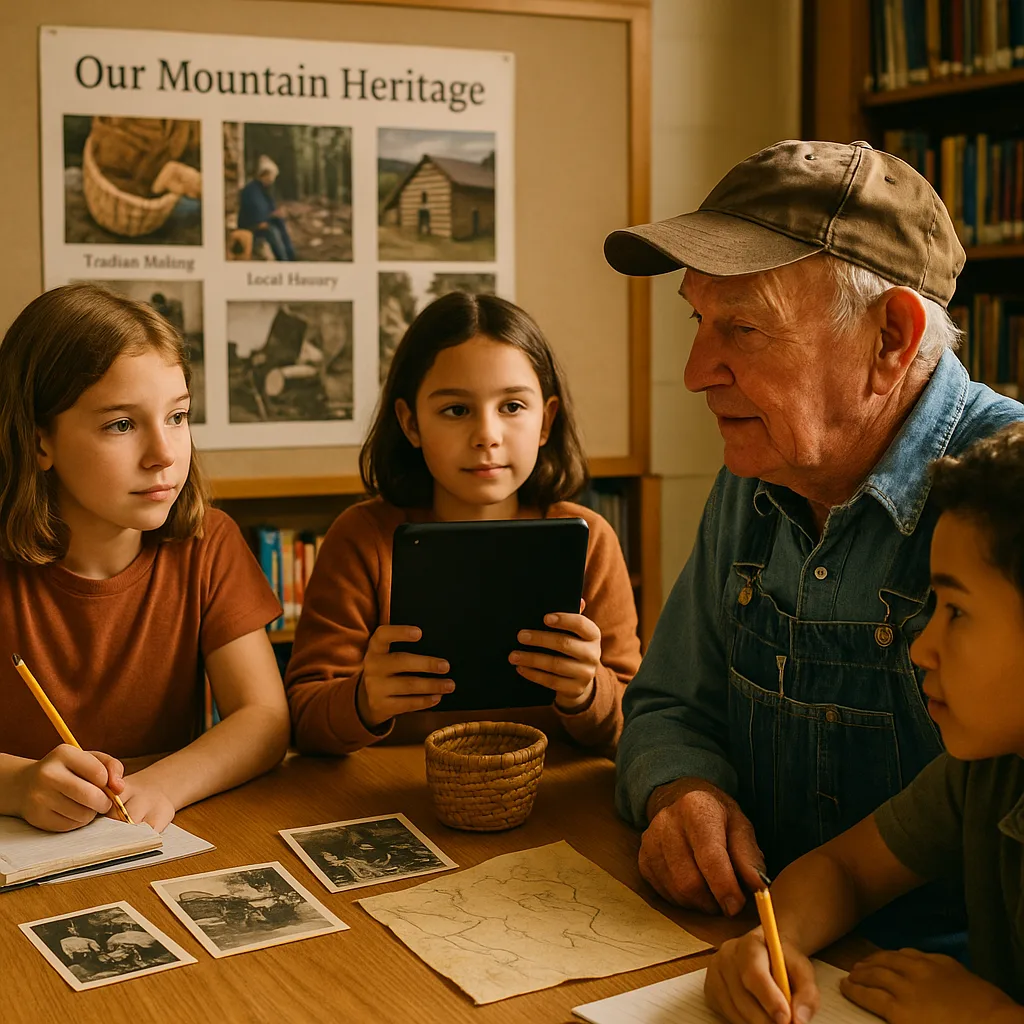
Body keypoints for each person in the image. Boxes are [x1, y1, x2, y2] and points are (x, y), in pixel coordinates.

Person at [604, 140, 1024, 944]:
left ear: (892, 339)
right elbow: (667, 705)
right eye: (700, 319)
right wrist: (679, 791)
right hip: (769, 946)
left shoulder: (1007, 502)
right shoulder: (760, 471)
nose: (696, 371)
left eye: (744, 327)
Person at [704, 423, 1024, 1024]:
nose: (922, 649)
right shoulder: (984, 773)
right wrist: (775, 942)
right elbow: (845, 869)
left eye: (957, 612)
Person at [285, 291, 641, 754]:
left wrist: (587, 692)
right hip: (396, 799)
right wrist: (364, 700)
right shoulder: (361, 537)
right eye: (456, 410)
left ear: (546, 421)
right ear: (411, 424)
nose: (486, 436)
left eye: (512, 407)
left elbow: (633, 723)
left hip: (546, 798)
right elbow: (304, 718)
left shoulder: (591, 540)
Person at [0, 284, 290, 832]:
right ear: (40, 442)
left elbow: (265, 719)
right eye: (121, 424)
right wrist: (17, 784)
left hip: (152, 839)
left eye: (177, 417)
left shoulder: (209, 544)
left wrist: (161, 785)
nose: (163, 454)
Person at [237, 155, 296, 261]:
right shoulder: (251, 191)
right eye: (271, 176)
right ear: (264, 175)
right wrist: (271, 216)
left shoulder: (265, 190)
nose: (272, 180)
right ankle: (284, 260)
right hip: (251, 226)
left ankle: (291, 256)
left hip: (264, 222)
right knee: (273, 231)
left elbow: (269, 210)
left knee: (281, 224)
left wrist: (277, 214)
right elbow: (255, 215)